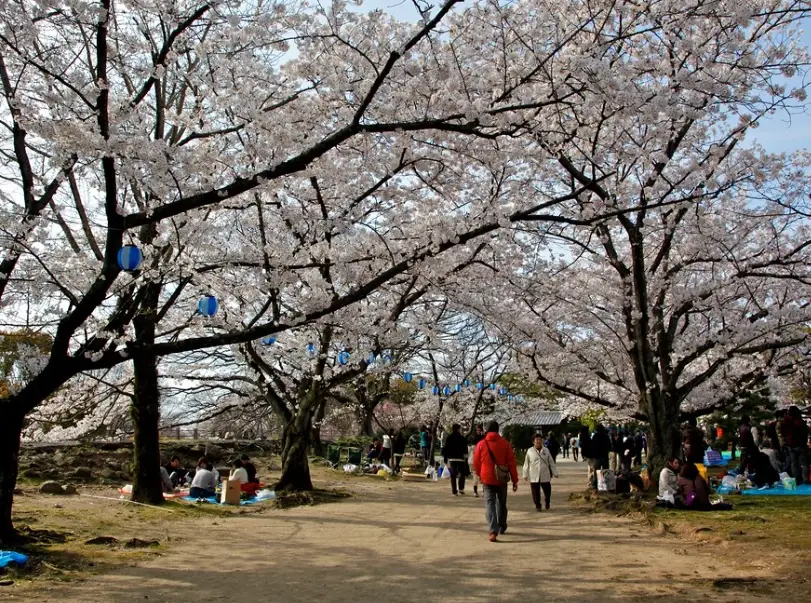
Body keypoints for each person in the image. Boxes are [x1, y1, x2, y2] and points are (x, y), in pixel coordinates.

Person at [473, 421, 519, 542]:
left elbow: (476, 463)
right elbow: (512, 464)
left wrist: (480, 474)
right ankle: (502, 525)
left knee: (489, 504)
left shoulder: (481, 444)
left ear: (486, 431)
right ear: (498, 430)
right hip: (501, 478)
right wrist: (515, 480)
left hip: (487, 478)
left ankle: (492, 531)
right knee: (502, 503)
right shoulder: (505, 444)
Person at [523, 433, 559, 511]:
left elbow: (551, 462)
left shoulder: (546, 450)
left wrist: (555, 472)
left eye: (540, 440)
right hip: (534, 474)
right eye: (537, 440)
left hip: (545, 473)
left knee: (547, 491)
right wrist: (525, 474)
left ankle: (547, 501)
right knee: (535, 492)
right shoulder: (530, 451)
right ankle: (538, 505)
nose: (538, 441)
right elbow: (526, 463)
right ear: (533, 441)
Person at [782, 406, 809, 485]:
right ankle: (805, 479)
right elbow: (805, 433)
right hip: (801, 445)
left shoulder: (786, 422)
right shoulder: (800, 422)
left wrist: (787, 441)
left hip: (791, 445)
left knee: (794, 463)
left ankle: (796, 479)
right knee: (804, 463)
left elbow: (783, 433)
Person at [444, 424, 470, 496]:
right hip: (461, 458)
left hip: (452, 458)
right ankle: (461, 488)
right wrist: (466, 458)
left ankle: (454, 491)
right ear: (458, 429)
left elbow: (446, 449)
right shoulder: (462, 438)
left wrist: (445, 459)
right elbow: (465, 450)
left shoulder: (449, 438)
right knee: (462, 473)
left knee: (453, 474)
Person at [471, 424, 485, 497]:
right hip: (476, 459)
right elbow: (473, 448)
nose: (478, 431)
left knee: (483, 476)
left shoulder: (484, 437)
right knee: (475, 476)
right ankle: (475, 491)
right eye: (477, 430)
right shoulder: (474, 438)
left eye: (479, 430)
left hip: (482, 459)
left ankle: (484, 491)